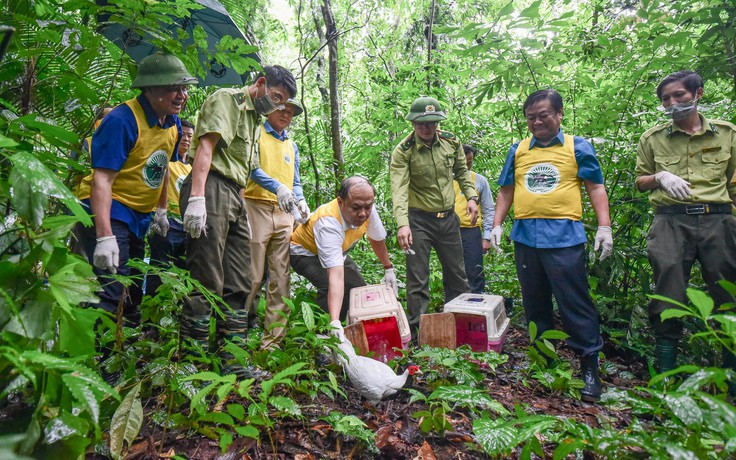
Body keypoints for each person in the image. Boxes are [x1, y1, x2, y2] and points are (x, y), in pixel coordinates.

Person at [490, 89, 613, 402]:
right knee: (535, 302)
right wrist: (497, 225)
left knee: (575, 302)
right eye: (531, 117)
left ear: (559, 114)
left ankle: (589, 368)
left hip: (564, 238)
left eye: (544, 115)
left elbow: (595, 186)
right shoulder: (518, 149)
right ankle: (545, 362)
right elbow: (506, 190)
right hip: (526, 237)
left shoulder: (577, 146)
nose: (537, 121)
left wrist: (604, 226)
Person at [179, 65, 296, 376]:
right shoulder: (227, 100)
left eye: (283, 103)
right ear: (260, 84)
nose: (278, 106)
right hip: (211, 186)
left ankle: (232, 361)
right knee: (207, 276)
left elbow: (245, 168)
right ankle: (193, 363)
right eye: (276, 97)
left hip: (235, 195)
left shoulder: (253, 120)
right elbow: (206, 147)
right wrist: (197, 198)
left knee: (241, 280)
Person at [74, 52, 198, 324]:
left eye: (184, 88)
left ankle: (124, 352)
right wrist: (104, 236)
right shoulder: (122, 120)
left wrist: (162, 209)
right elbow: (101, 180)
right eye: (172, 88)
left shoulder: (173, 122)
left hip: (139, 216)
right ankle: (99, 360)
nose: (181, 95)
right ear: (149, 89)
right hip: (108, 211)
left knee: (131, 290)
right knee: (111, 288)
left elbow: (162, 165)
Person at [635, 70, 736, 377]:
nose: (672, 102)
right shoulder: (652, 138)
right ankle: (667, 373)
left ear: (698, 94)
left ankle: (728, 374)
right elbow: (640, 181)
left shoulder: (727, 133)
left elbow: (734, 184)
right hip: (671, 222)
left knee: (728, 293)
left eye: (679, 95)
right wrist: (660, 177)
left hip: (718, 220)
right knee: (668, 294)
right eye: (666, 98)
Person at [389, 96, 478, 334]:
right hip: (418, 221)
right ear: (412, 124)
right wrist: (402, 225)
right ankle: (419, 331)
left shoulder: (451, 141)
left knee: (457, 275)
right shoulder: (403, 151)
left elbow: (462, 171)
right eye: (421, 124)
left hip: (448, 219)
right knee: (418, 278)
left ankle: (461, 325)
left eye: (432, 123)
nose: (427, 128)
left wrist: (471, 197)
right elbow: (398, 189)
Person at [290, 176, 398, 341]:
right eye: (356, 208)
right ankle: (322, 334)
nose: (363, 213)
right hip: (303, 252)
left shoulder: (367, 208)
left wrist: (388, 268)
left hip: (337, 252)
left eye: (367, 207)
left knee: (358, 290)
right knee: (328, 285)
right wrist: (333, 320)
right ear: (340, 202)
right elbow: (336, 275)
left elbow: (376, 239)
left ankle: (352, 332)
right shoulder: (328, 222)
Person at [243, 99, 309, 350]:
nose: (286, 115)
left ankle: (272, 342)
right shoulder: (256, 133)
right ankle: (238, 330)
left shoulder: (291, 145)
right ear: (270, 108)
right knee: (252, 274)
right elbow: (252, 169)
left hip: (284, 212)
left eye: (291, 112)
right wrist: (277, 187)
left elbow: (296, 181)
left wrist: (301, 201)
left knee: (281, 277)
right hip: (256, 206)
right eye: (282, 109)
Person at [145, 119, 195, 296]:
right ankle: (152, 314)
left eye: (190, 136)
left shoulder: (193, 167)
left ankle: (172, 314)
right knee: (160, 269)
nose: (186, 139)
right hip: (167, 222)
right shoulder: (166, 159)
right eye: (184, 135)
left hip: (186, 227)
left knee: (182, 273)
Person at [453, 144, 496, 293]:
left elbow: (489, 209)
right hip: (448, 231)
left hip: (471, 231)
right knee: (453, 271)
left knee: (474, 270)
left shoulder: (479, 180)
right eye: (463, 162)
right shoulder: (444, 181)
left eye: (469, 162)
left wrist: (487, 237)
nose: (466, 166)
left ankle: (477, 303)